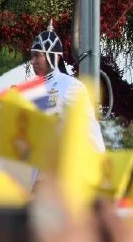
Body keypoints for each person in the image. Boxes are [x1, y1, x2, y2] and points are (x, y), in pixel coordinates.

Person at [27, 20, 104, 151]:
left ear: (52, 56)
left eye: (37, 56)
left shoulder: (70, 86)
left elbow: (90, 128)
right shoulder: (32, 90)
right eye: (32, 56)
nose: (33, 61)